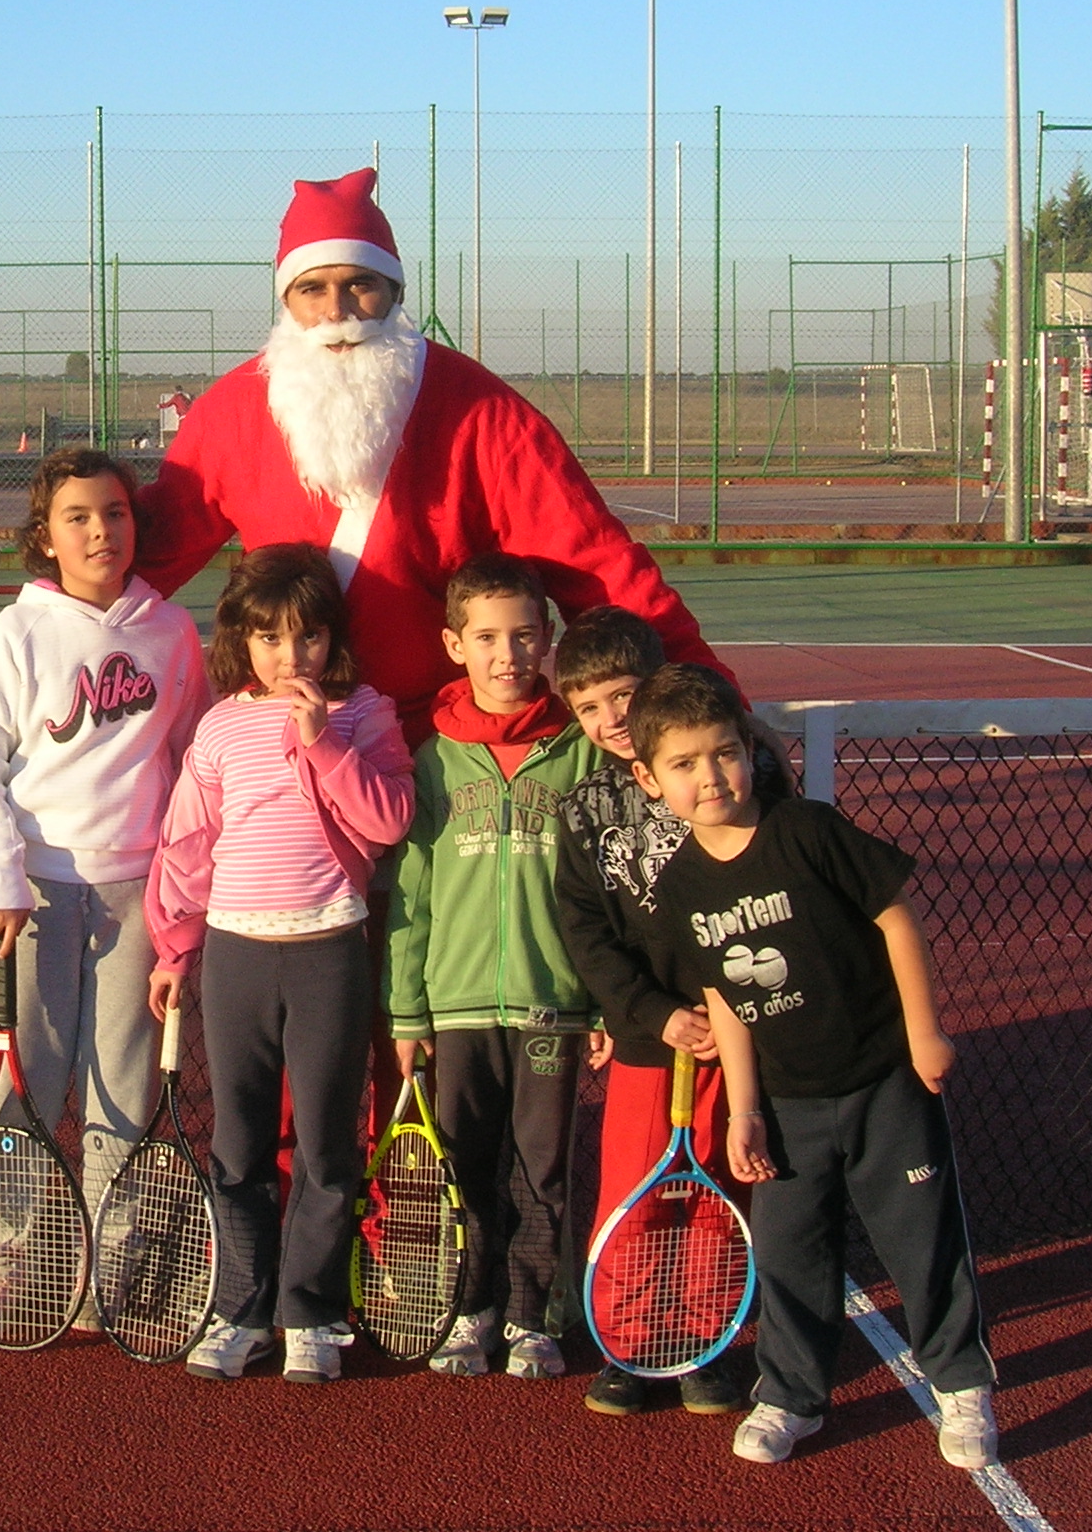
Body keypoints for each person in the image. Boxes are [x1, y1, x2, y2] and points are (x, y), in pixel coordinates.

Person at [135, 169, 728, 741]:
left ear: (395, 291)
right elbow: (137, 559)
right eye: (312, 289)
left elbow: (597, 567)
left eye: (360, 284)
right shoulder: (231, 413)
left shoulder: (481, 411)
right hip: (280, 740)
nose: (336, 311)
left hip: (440, 746)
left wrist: (710, 704)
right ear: (286, 301)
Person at [631, 664, 998, 1470]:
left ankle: (961, 1383)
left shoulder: (807, 830)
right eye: (684, 763)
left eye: (724, 753)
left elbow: (896, 917)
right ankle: (792, 1395)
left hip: (882, 1081)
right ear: (650, 779)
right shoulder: (682, 886)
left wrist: (924, 1033)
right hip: (788, 1105)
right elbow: (725, 999)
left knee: (922, 1242)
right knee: (790, 1255)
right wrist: (745, 1109)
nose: (709, 776)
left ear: (749, 751)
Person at [146, 543, 413, 1384]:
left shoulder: (363, 713)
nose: (290, 656)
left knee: (329, 1143)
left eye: (308, 637)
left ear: (333, 639)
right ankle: (242, 1309)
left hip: (328, 950)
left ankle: (313, 1312)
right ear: (243, 641)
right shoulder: (222, 724)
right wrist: (175, 947)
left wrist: (322, 741)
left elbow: (389, 821)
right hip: (236, 955)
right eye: (269, 639)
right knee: (239, 1143)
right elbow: (189, 842)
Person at [0, 446, 206, 1250]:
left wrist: (184, 892)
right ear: (45, 536)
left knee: (123, 1086)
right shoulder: (17, 632)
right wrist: (2, 876)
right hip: (33, 897)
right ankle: (5, 1252)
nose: (101, 531)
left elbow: (195, 765)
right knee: (21, 1083)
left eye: (115, 513)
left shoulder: (172, 632)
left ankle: (113, 1257)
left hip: (138, 897)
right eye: (78, 517)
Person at [549, 606, 782, 1419]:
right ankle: (629, 1342)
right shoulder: (584, 808)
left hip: (738, 1035)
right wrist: (649, 1013)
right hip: (651, 1041)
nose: (611, 719)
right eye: (589, 707)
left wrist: (732, 1011)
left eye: (623, 695)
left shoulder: (737, 777)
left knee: (719, 1191)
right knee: (635, 1194)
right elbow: (587, 933)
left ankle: (703, 1343)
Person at [384, 555, 599, 1379]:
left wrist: (602, 1004)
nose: (507, 655)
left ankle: (532, 1315)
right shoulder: (435, 759)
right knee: (467, 1166)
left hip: (552, 1004)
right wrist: (408, 1010)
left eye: (524, 636)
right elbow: (412, 895)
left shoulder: (579, 752)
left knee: (542, 1170)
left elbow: (605, 890)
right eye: (486, 638)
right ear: (454, 645)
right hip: (459, 1004)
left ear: (548, 639)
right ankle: (471, 1308)